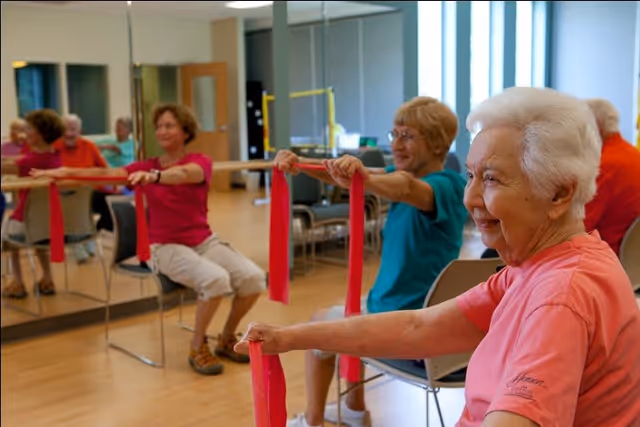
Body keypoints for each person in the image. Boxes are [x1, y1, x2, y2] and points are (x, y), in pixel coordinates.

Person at [235, 87, 640, 427]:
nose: (471, 197)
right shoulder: (535, 268)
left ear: (559, 194)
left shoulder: (561, 295)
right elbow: (419, 327)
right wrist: (287, 338)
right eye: (471, 176)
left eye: (492, 179)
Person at [274, 96, 468, 427]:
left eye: (408, 136)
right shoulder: (401, 175)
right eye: (395, 135)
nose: (397, 144)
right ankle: (353, 410)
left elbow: (405, 188)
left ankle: (313, 420)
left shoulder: (448, 186)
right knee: (351, 309)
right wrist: (299, 163)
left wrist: (363, 176)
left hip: (412, 328)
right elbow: (359, 177)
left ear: (437, 144)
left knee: (319, 325)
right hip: (397, 311)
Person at [32, 103, 266, 376]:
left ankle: (226, 338)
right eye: (159, 126)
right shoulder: (145, 166)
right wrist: (67, 172)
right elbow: (108, 174)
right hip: (165, 247)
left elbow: (184, 175)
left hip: (204, 242)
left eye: (170, 125)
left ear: (185, 131)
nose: (162, 131)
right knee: (216, 280)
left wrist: (156, 177)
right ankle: (196, 345)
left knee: (254, 279)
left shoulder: (199, 161)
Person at [1, 109, 65, 298]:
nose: (25, 132)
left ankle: (18, 282)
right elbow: (23, 160)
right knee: (37, 232)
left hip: (28, 220)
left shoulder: (31, 161)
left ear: (40, 135)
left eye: (29, 129)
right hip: (51, 222)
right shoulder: (55, 157)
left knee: (7, 235)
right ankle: (47, 278)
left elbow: (11, 166)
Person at [583, 98, 640, 256]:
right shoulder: (634, 154)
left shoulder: (604, 166)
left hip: (606, 257)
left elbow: (579, 226)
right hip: (632, 261)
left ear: (594, 128)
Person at [53, 114, 109, 262]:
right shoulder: (54, 147)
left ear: (79, 131)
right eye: (65, 129)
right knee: (73, 205)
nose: (69, 134)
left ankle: (90, 234)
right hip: (62, 194)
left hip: (88, 192)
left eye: (73, 129)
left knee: (108, 204)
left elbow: (104, 169)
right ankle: (79, 241)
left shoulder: (89, 146)